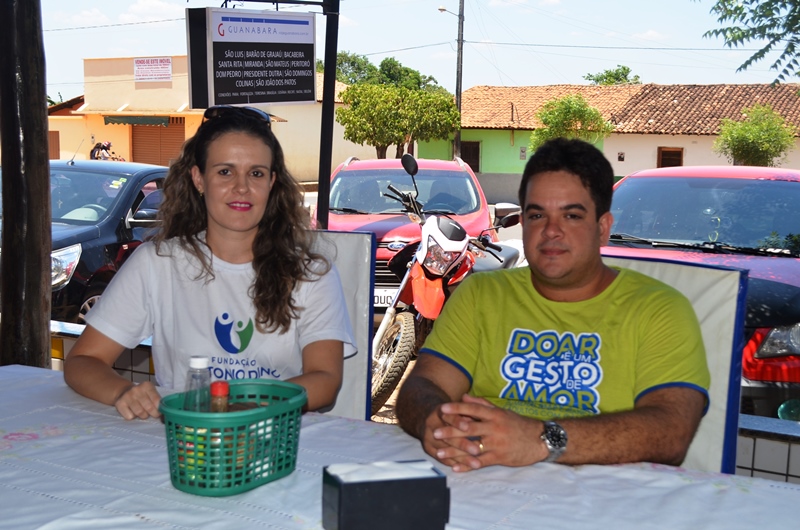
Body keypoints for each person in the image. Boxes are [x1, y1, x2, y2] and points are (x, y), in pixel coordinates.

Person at [395, 137, 710, 472]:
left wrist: (539, 440)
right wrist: (436, 421)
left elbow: (671, 432)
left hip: (609, 499)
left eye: (572, 215)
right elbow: (422, 386)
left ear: (602, 229)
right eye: (537, 215)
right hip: (483, 485)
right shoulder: (480, 295)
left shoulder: (659, 309)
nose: (551, 231)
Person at [64, 105, 356, 420]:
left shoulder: (311, 274)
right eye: (225, 171)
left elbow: (325, 379)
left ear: (272, 183)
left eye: (256, 173)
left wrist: (248, 408)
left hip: (276, 443)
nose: (241, 187)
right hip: (185, 444)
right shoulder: (157, 263)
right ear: (199, 179)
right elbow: (84, 361)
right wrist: (123, 393)